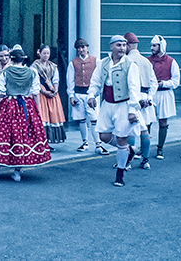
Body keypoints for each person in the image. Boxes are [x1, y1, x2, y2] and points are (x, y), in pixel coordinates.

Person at [0, 48, 51, 181]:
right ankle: (17, 172)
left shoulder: (6, 72)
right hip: (26, 105)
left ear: (12, 59)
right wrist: (37, 110)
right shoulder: (32, 72)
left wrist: (6, 93)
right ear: (23, 59)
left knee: (2, 136)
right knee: (22, 136)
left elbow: (0, 91)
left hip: (8, 105)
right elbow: (35, 92)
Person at [87, 35, 143, 187]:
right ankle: (128, 150)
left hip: (123, 105)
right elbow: (96, 81)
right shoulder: (103, 63)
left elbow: (134, 88)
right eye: (118, 45)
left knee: (121, 138)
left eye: (124, 45)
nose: (122, 48)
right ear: (111, 46)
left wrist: (133, 110)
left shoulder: (130, 65)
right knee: (103, 136)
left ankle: (120, 172)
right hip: (107, 104)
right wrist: (91, 95)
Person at [67, 38, 108, 155]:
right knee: (81, 119)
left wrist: (97, 93)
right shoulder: (73, 63)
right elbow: (70, 80)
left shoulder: (96, 61)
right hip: (78, 94)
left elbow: (100, 78)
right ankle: (84, 142)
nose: (81, 50)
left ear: (87, 47)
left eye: (83, 47)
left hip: (91, 95)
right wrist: (71, 95)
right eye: (79, 48)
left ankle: (98, 144)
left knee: (94, 119)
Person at [125, 32, 157, 169]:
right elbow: (154, 82)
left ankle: (127, 161)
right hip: (145, 97)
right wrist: (149, 99)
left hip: (132, 98)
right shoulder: (146, 61)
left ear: (128, 45)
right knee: (144, 130)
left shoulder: (125, 61)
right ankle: (145, 160)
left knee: (130, 130)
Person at [149, 35, 179, 159]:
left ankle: (160, 148)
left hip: (164, 94)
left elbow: (176, 82)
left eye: (154, 45)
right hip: (151, 93)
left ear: (161, 46)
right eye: (151, 45)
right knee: (147, 121)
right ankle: (144, 148)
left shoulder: (171, 61)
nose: (152, 48)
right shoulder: (147, 61)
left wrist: (164, 83)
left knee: (163, 121)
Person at [32, 44, 66, 148]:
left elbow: (56, 80)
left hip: (51, 93)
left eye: (48, 53)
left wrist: (55, 90)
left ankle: (47, 142)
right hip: (40, 93)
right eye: (44, 53)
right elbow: (35, 81)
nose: (46, 55)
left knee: (51, 117)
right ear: (40, 53)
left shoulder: (53, 66)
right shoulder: (34, 66)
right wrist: (44, 91)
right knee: (42, 116)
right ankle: (40, 142)